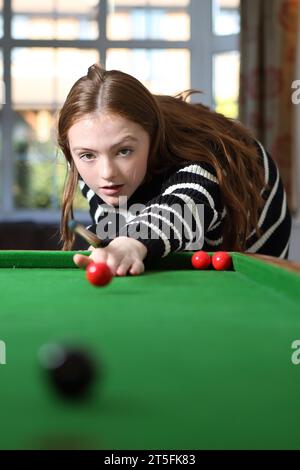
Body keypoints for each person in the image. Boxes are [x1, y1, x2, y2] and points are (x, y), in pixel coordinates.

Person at [58, 63, 291, 276]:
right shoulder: (85, 152)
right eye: (88, 155)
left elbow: (184, 207)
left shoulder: (202, 157)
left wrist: (130, 240)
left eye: (124, 151)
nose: (106, 172)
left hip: (249, 227)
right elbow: (114, 222)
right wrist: (116, 242)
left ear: (153, 137)